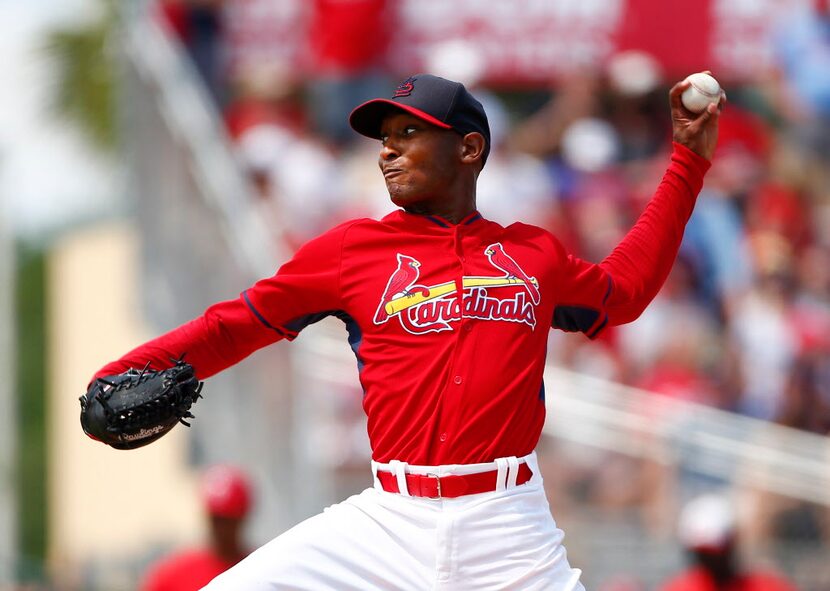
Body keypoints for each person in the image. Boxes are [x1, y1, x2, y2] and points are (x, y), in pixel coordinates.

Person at [91, 72, 722, 589]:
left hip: (508, 527)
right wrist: (120, 371)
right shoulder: (352, 250)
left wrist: (687, 162)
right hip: (389, 521)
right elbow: (233, 325)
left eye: (408, 132)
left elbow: (627, 291)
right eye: (384, 137)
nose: (387, 149)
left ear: (468, 149)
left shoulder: (533, 254)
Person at [140, 465, 253, 591]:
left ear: (242, 517)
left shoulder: (258, 570)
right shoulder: (170, 576)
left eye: (228, 519)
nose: (221, 528)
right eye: (216, 519)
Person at [658, 494, 798, 591]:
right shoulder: (679, 587)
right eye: (704, 554)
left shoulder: (766, 586)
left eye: (715, 554)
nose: (711, 562)